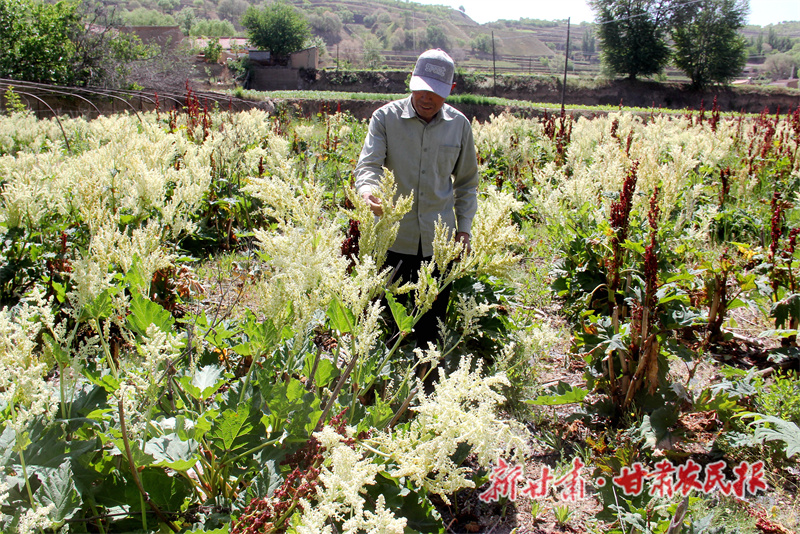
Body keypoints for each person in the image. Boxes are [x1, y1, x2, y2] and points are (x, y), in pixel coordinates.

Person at [354, 48, 479, 349]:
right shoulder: (385, 118)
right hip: (394, 239)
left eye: (436, 92)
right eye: (421, 88)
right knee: (384, 324)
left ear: (451, 90)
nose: (427, 98)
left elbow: (467, 184)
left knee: (430, 327)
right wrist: (368, 191)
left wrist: (463, 229)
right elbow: (369, 165)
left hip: (439, 244)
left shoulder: (459, 126)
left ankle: (425, 382)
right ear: (411, 81)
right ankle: (380, 387)